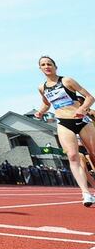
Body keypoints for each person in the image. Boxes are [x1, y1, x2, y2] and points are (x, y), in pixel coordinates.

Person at [35, 56, 95, 206]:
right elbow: (46, 104)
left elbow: (89, 97)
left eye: (49, 64)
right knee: (73, 156)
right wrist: (41, 112)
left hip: (81, 120)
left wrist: (82, 109)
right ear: (40, 69)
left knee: (93, 154)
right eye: (43, 64)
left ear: (55, 67)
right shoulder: (42, 87)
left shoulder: (67, 81)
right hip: (63, 122)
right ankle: (86, 193)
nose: (47, 66)